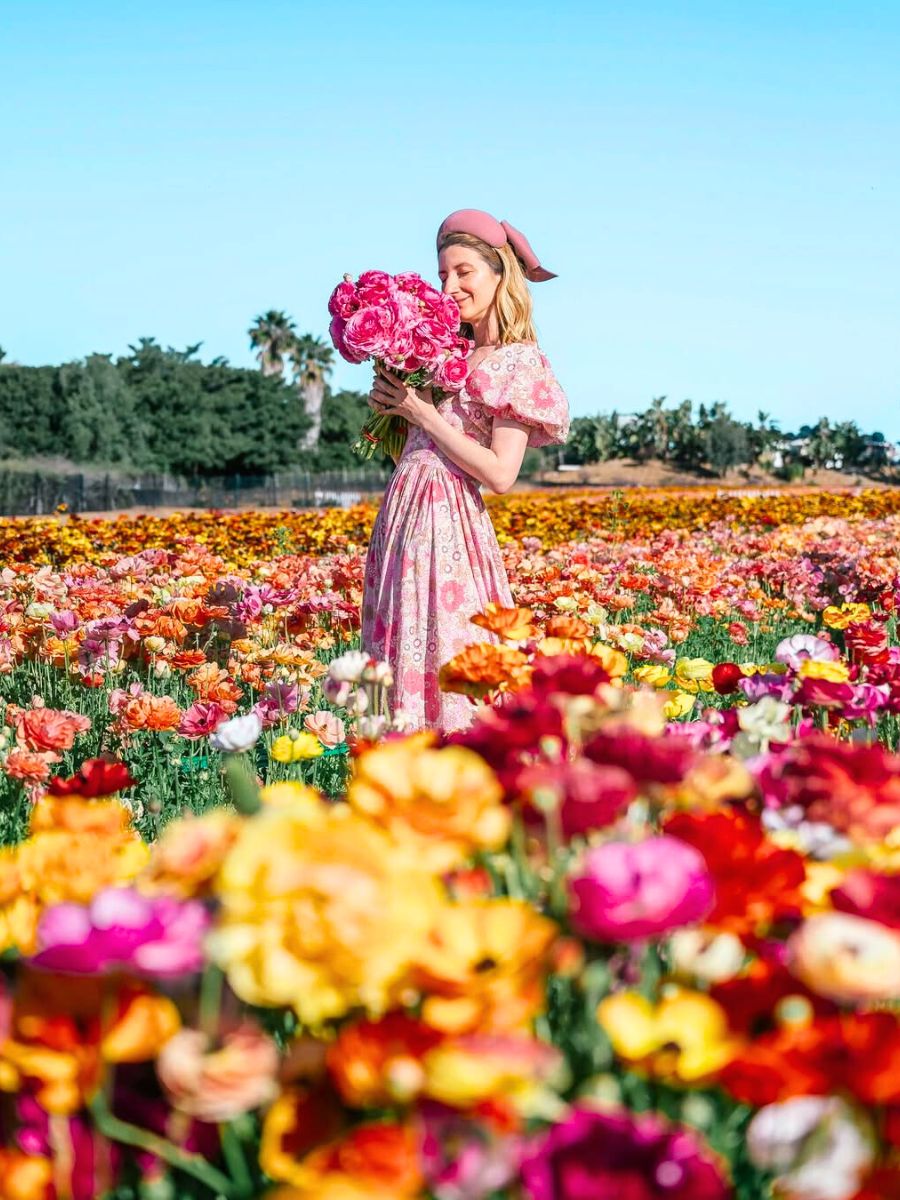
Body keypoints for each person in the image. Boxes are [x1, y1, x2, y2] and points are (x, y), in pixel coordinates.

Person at [361, 208, 570, 732]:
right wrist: (394, 410)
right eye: (442, 275)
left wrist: (422, 412)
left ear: (500, 274)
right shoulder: (444, 354)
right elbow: (423, 451)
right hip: (403, 520)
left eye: (464, 272)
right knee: (403, 650)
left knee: (451, 654)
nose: (450, 286)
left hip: (451, 529)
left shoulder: (517, 361)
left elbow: (501, 474)